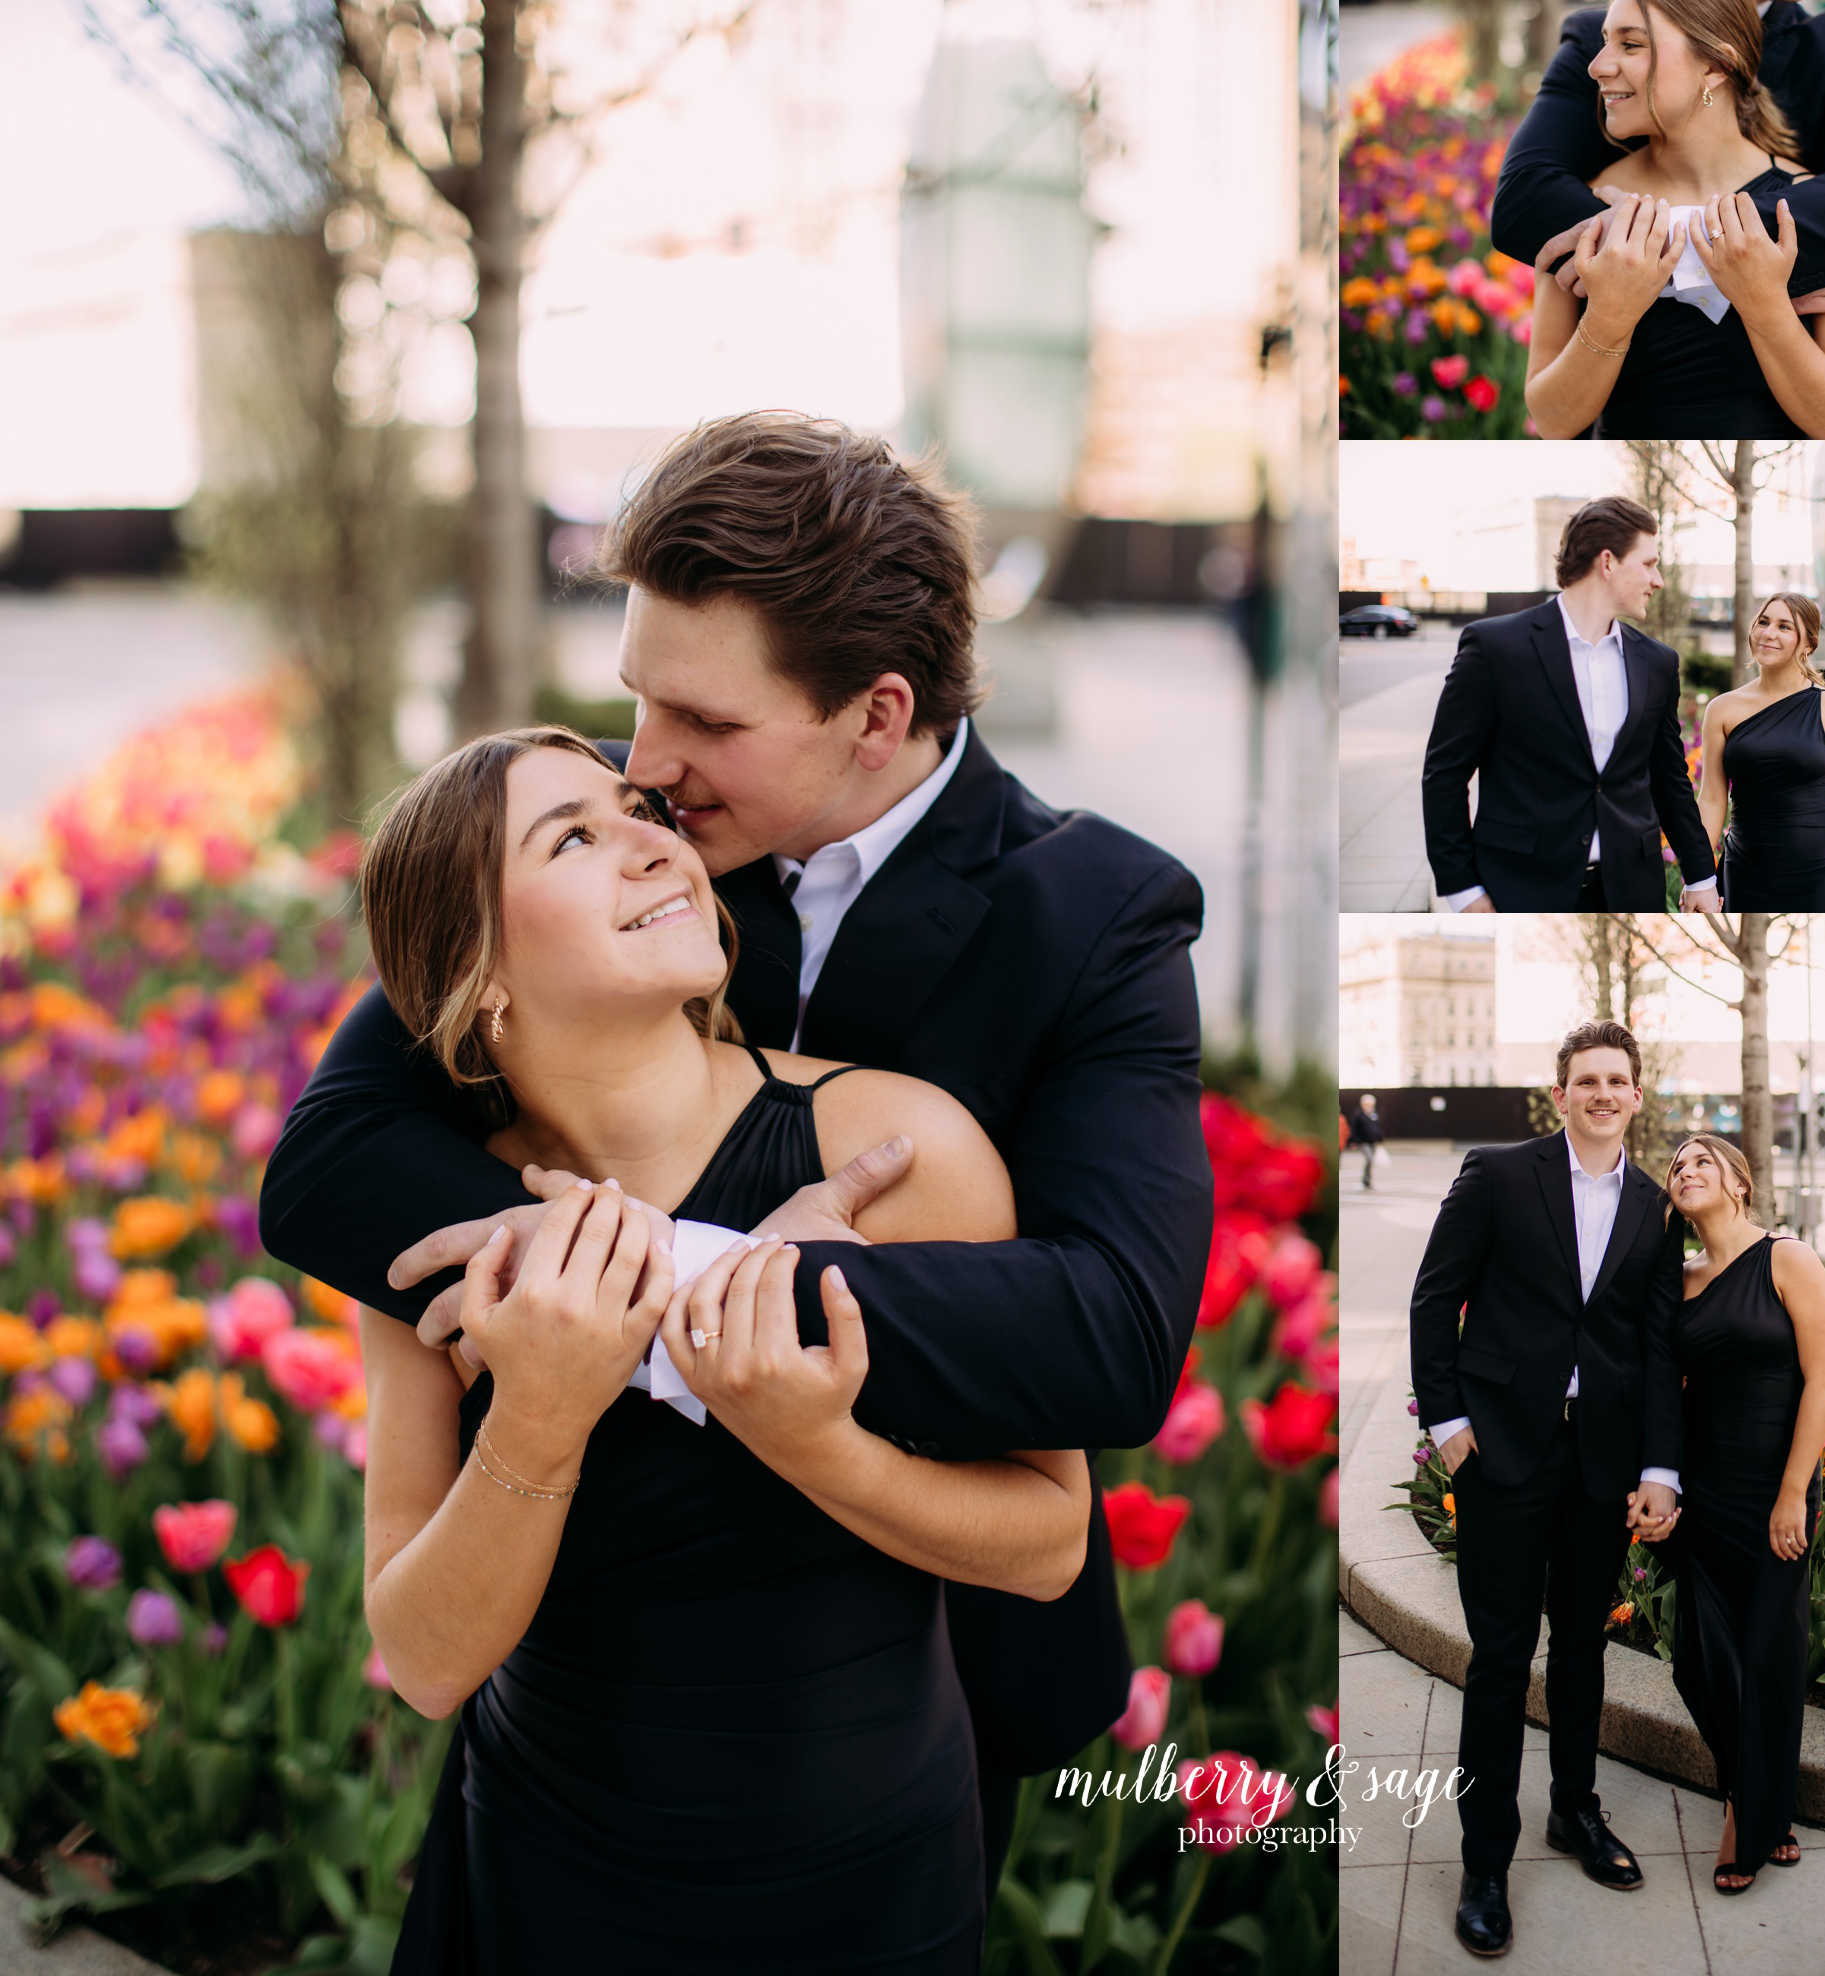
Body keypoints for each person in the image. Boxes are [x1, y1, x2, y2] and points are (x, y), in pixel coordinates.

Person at [258, 415, 1214, 1917]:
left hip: (924, 1678)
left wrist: (723, 1291)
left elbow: (1112, 1335)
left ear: (874, 716)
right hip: (587, 1695)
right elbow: (328, 1166)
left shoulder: (1096, 914)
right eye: (638, 699)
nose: (649, 767)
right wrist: (607, 1330)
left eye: (699, 723)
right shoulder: (631, 847)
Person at [354, 727, 1094, 1971]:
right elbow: (424, 1664)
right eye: (575, 836)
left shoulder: (902, 1151)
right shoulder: (430, 1228)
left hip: (864, 1889)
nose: (657, 840)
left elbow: (1048, 1541)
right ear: (479, 977)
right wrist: (540, 1411)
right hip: (552, 1873)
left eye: (640, 808)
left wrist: (814, 1445)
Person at [1409, 1020, 1687, 1957]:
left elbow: (1654, 1346)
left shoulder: (1654, 1206)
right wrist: (1449, 1430)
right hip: (1502, 1454)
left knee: (1579, 1648)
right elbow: (1431, 1296)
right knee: (1498, 1657)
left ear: (1637, 1096)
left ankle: (1575, 1809)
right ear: (1560, 1093)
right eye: (1586, 1080)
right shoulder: (1498, 1172)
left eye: (1618, 1080)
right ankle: (1486, 1860)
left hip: (1600, 1463)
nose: (1603, 1093)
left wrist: (1658, 1469)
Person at [1493, 0, 1825, 439]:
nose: (1597, 65)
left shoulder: (1815, 215)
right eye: (1605, 42)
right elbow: (1552, 421)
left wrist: (1763, 302)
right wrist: (1610, 313)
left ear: (1716, 66)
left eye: (1631, 45)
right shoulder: (1589, 210)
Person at [1647, 1134, 1825, 1894]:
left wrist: (1794, 1491)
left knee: (1764, 1653)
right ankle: (1757, 1798)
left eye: (1701, 1161)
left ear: (1739, 1181)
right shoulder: (1680, 1280)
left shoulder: (1788, 1259)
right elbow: (1663, 1387)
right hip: (1704, 1491)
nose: (1685, 1169)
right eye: (1676, 1165)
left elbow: (1823, 1378)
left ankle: (1744, 1815)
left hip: (1773, 1490)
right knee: (1698, 1658)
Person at [1420, 496, 1720, 914]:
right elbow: (1444, 775)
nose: (1659, 580)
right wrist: (1463, 891)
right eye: (1649, 564)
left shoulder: (1658, 662)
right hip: (1520, 889)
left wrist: (1702, 877)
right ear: (1608, 561)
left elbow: (1668, 779)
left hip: (1633, 889)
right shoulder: (1495, 648)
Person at [1697, 593, 1825, 911]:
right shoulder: (1721, 709)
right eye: (1763, 622)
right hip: (1744, 868)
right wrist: (1699, 880)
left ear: (1808, 644)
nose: (1768, 633)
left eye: (1784, 626)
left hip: (1817, 872)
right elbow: (1711, 800)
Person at [1353, 1094, 1383, 1190]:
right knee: (1369, 1159)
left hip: (1373, 1141)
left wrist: (1380, 1138)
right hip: (1363, 1142)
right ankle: (1365, 1179)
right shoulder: (1358, 1115)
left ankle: (1367, 1180)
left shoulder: (1374, 1114)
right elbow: (1354, 1129)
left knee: (1370, 1161)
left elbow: (1377, 1127)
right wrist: (1354, 1141)